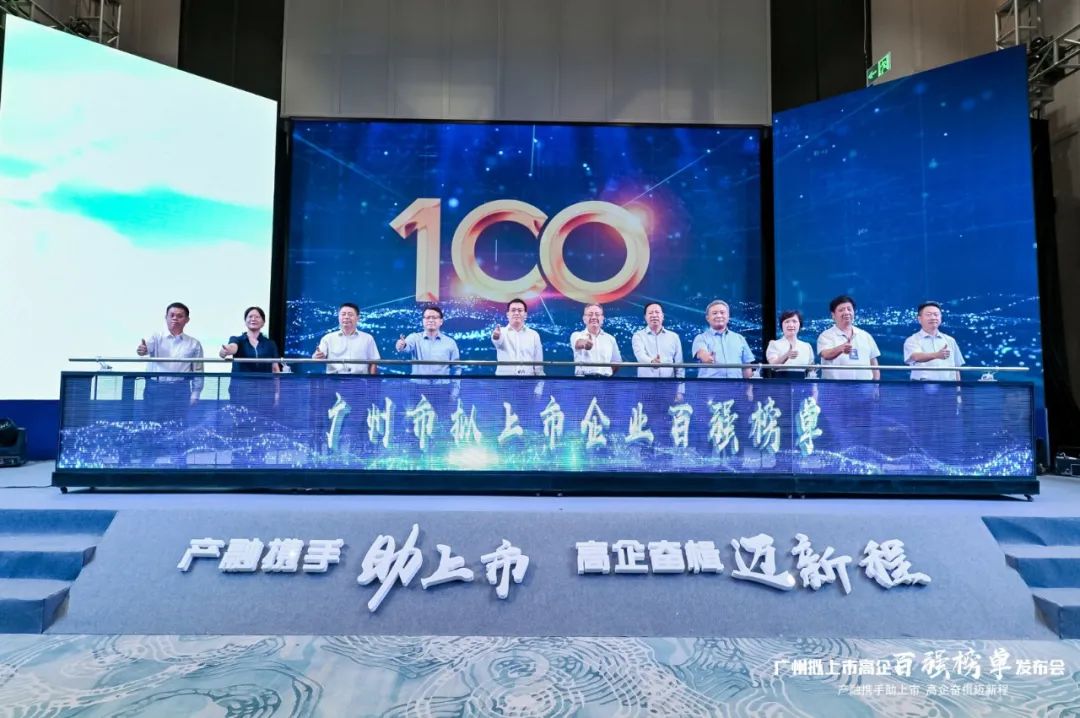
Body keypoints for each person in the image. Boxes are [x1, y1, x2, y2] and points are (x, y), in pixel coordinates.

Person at [136, 301, 204, 408]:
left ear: (187, 320)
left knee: (180, 419)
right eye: (171, 315)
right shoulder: (156, 337)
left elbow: (198, 371)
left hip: (181, 389)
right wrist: (142, 350)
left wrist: (196, 393)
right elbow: (145, 349)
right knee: (152, 418)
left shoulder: (194, 343)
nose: (175, 318)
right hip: (156, 388)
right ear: (166, 317)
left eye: (179, 316)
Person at [396, 305, 462, 411]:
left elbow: (456, 368)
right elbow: (405, 346)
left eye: (434, 317)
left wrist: (455, 390)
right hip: (417, 388)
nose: (431, 320)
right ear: (423, 321)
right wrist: (401, 345)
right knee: (415, 420)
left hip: (441, 389)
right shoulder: (414, 338)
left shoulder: (450, 343)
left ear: (441, 321)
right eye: (427, 317)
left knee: (442, 419)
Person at [220, 306, 280, 407]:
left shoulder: (270, 344)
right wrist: (225, 351)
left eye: (257, 317)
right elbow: (232, 347)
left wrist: (277, 393)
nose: (253, 319)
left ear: (263, 322)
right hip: (241, 391)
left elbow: (275, 369)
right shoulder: (237, 339)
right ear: (245, 321)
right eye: (250, 316)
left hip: (265, 393)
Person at [816, 295, 880, 380]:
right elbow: (826, 355)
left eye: (849, 309)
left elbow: (874, 363)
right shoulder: (826, 336)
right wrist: (841, 349)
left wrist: (876, 384)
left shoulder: (865, 336)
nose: (846, 312)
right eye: (841, 310)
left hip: (865, 386)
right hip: (835, 386)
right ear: (833, 315)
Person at [631, 302, 684, 398]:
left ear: (662, 316)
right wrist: (652, 362)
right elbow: (640, 356)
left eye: (657, 312)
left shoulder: (674, 337)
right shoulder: (638, 336)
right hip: (646, 388)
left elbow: (679, 366)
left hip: (668, 388)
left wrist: (680, 391)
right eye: (650, 313)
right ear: (645, 317)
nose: (654, 315)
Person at [690, 300, 754, 379]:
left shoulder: (739, 338)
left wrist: (748, 386)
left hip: (736, 386)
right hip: (710, 386)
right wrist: (705, 357)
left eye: (722, 312)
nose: (719, 316)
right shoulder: (701, 338)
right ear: (707, 318)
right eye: (714, 313)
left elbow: (746, 366)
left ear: (728, 316)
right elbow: (701, 352)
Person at [903, 301, 964, 381]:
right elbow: (916, 357)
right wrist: (937, 355)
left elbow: (956, 367)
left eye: (936, 314)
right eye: (929, 315)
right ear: (919, 319)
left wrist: (958, 387)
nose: (933, 317)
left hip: (948, 386)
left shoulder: (950, 340)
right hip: (921, 386)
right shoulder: (912, 340)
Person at [313, 302, 380, 375]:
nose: (346, 317)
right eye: (343, 314)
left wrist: (372, 380)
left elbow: (374, 362)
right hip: (334, 380)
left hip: (360, 379)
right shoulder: (328, 338)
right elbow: (317, 357)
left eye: (350, 314)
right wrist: (317, 356)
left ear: (358, 318)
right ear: (338, 317)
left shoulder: (368, 338)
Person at [491, 298, 545, 376]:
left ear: (525, 314)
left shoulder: (534, 335)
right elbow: (496, 341)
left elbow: (538, 363)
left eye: (520, 310)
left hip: (528, 380)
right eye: (513, 310)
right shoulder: (501, 332)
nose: (516, 313)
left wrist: (540, 381)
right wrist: (496, 336)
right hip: (504, 380)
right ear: (507, 314)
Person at [570, 303, 622, 376]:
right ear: (584, 319)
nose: (594, 317)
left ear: (602, 318)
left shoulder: (610, 339)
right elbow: (578, 343)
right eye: (590, 314)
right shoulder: (576, 335)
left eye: (597, 314)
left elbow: (616, 362)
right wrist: (585, 344)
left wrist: (606, 374)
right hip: (583, 380)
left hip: (605, 380)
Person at [766, 309, 815, 378]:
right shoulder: (774, 344)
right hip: (781, 383)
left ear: (800, 324)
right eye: (787, 322)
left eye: (794, 321)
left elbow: (811, 369)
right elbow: (773, 366)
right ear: (781, 325)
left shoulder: (806, 346)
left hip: (802, 383)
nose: (791, 325)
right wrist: (786, 355)